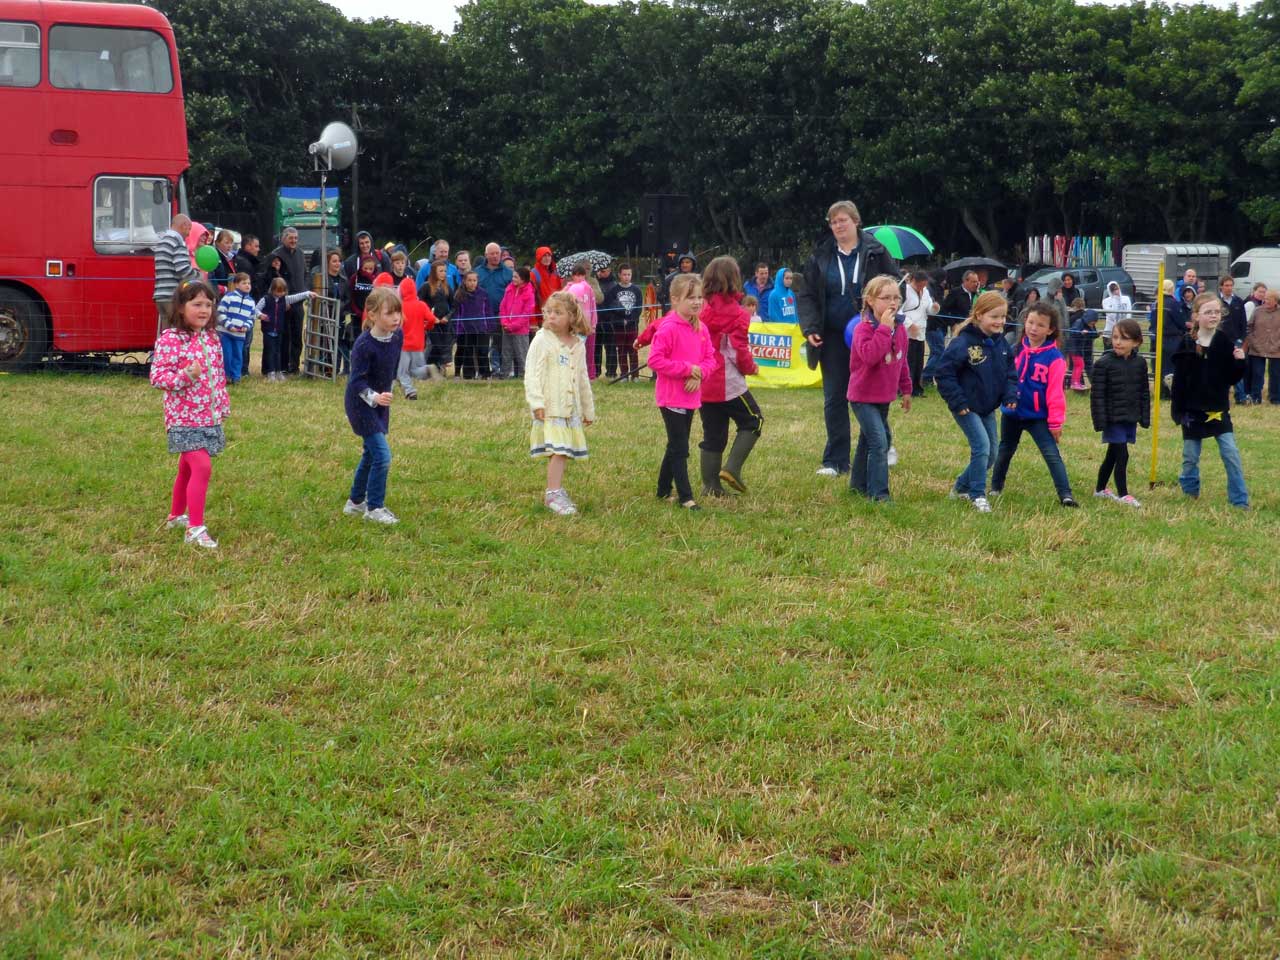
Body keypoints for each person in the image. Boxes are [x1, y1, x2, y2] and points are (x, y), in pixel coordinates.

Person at [796, 201, 897, 477]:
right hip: (831, 335)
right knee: (834, 397)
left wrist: (886, 321)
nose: (838, 226)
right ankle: (835, 460)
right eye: (833, 222)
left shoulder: (876, 252)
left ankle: (883, 444)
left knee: (873, 394)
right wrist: (810, 327)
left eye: (843, 220)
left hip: (869, 334)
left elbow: (894, 287)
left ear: (856, 221)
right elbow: (806, 295)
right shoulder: (820, 255)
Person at [150, 281, 229, 550]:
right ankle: (195, 528)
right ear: (181, 308)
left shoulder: (212, 338)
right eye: (197, 304)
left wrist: (221, 405)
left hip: (208, 417)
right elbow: (158, 377)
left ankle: (175, 516)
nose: (204, 309)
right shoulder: (171, 339)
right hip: (183, 418)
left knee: (187, 468)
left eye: (208, 304)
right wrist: (185, 376)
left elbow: (218, 376)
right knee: (202, 467)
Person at [934, 291, 1018, 513]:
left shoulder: (1001, 345)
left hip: (987, 407)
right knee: (981, 447)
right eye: (994, 316)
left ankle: (960, 487)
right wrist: (958, 402)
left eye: (1003, 316)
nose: (1000, 321)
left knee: (991, 454)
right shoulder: (963, 343)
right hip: (966, 407)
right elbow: (944, 374)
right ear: (979, 315)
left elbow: (1010, 373)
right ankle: (977, 495)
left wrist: (1010, 395)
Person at [989, 301, 1077, 507]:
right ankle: (995, 488)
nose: (1034, 328)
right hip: (1012, 413)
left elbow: (1055, 393)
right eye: (1030, 322)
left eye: (1040, 325)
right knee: (1005, 451)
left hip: (1038, 417)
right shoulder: (1015, 349)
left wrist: (1056, 422)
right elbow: (1003, 378)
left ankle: (1066, 495)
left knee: (1051, 454)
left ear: (1051, 329)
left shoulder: (1055, 358)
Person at [1171, 293, 1249, 508]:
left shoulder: (1224, 342)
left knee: (1231, 454)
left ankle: (1240, 500)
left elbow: (1231, 377)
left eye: (1216, 312)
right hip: (1191, 412)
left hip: (1218, 410)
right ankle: (1189, 494)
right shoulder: (1187, 343)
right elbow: (1179, 382)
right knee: (1190, 457)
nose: (1213, 316)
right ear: (1196, 316)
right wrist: (1177, 411)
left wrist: (1240, 363)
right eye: (1208, 312)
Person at [648, 272, 717, 510]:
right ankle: (686, 497)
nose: (697, 302)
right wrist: (688, 369)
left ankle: (662, 489)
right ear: (675, 300)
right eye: (691, 297)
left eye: (700, 297)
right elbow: (655, 361)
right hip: (671, 398)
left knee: (676, 443)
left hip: (690, 397)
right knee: (680, 448)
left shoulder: (702, 328)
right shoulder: (668, 328)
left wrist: (699, 375)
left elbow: (710, 360)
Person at [524, 290, 595, 516]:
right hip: (550, 408)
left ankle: (555, 490)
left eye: (558, 312)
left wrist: (587, 409)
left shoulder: (578, 344)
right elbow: (531, 374)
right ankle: (553, 493)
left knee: (563, 451)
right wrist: (536, 403)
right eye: (549, 312)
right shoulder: (542, 340)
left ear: (572, 317)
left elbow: (583, 379)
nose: (551, 316)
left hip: (569, 411)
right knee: (559, 451)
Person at [697, 257, 762, 497]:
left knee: (713, 434)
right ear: (735, 279)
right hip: (728, 382)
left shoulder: (699, 308)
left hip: (702, 381)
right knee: (754, 420)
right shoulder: (738, 313)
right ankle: (733, 468)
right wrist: (750, 368)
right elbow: (738, 351)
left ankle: (711, 486)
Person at [846, 275, 912, 502]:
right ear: (871, 301)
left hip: (884, 396)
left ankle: (858, 485)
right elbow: (871, 356)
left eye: (897, 297)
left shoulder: (901, 329)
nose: (893, 303)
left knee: (868, 441)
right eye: (886, 298)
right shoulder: (863, 329)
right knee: (879, 441)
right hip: (862, 396)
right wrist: (884, 329)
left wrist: (906, 389)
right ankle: (879, 494)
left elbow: (902, 361)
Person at [342, 286, 404, 525]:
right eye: (389, 313)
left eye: (397, 312)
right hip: (361, 404)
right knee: (382, 455)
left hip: (380, 403)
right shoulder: (364, 345)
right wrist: (374, 396)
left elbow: (392, 367)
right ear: (372, 315)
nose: (395, 318)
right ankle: (375, 508)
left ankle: (355, 502)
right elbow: (355, 380)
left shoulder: (397, 337)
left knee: (370, 453)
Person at [1090, 318, 1150, 506]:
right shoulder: (1103, 364)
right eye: (1115, 337)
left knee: (1112, 455)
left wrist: (1144, 416)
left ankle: (1100, 489)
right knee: (1122, 454)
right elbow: (1097, 395)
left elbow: (1143, 392)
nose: (1118, 342)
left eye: (1124, 338)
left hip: (1129, 417)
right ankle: (1124, 494)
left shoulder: (1140, 363)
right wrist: (1100, 420)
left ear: (1136, 342)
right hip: (1112, 418)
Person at [255, 278, 313, 382]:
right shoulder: (265, 299)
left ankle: (278, 371)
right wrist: (260, 315)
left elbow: (296, 297)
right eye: (278, 291)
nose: (281, 294)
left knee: (278, 351)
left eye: (283, 291)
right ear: (272, 290)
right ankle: (270, 372)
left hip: (279, 330)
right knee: (270, 351)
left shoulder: (284, 299)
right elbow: (255, 309)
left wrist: (308, 293)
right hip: (268, 330)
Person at [268, 227, 309, 375]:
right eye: (291, 238)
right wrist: (283, 299)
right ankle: (283, 366)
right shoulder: (276, 255)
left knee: (297, 335)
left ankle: (294, 366)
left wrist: (304, 290)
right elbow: (273, 278)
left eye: (296, 238)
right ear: (283, 238)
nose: (294, 241)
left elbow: (305, 274)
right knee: (285, 336)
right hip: (283, 303)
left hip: (298, 301)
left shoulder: (300, 253)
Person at [152, 214, 198, 340]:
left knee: (166, 336)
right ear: (184, 226)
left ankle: (165, 359)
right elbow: (182, 269)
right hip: (173, 295)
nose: (189, 234)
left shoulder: (162, 241)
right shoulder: (177, 241)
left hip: (160, 295)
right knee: (177, 336)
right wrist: (198, 277)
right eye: (189, 230)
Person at [214, 272, 263, 385]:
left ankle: (236, 377)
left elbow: (252, 317)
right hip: (225, 333)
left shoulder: (251, 301)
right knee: (227, 355)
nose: (247, 285)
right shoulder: (229, 297)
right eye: (244, 283)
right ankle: (226, 376)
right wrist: (229, 325)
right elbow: (220, 312)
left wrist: (246, 326)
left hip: (240, 335)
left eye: (249, 283)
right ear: (236, 284)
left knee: (238, 355)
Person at [476, 243, 514, 377]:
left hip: (501, 314)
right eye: (492, 253)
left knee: (500, 345)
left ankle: (502, 371)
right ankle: (482, 371)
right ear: (486, 255)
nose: (495, 256)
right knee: (482, 345)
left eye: (497, 253)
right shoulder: (477, 272)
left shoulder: (508, 273)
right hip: (482, 315)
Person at [396, 277, 437, 399]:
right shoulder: (422, 305)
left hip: (403, 345)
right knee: (416, 370)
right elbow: (431, 319)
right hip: (419, 344)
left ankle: (410, 392)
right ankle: (427, 369)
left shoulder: (400, 306)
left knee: (402, 372)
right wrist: (427, 327)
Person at [603, 264, 643, 380]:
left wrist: (630, 320)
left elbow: (638, 308)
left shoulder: (636, 290)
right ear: (619, 275)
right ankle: (624, 374)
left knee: (634, 350)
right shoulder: (613, 290)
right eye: (624, 274)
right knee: (621, 350)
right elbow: (610, 308)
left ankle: (635, 375)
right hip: (618, 326)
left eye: (629, 274)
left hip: (632, 326)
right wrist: (620, 320)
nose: (626, 277)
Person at [451, 270, 492, 380]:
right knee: (467, 352)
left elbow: (488, 311)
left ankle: (485, 374)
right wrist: (457, 329)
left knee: (482, 352)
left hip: (481, 328)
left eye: (474, 280)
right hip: (465, 330)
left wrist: (489, 326)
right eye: (469, 280)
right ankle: (469, 375)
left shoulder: (483, 294)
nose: (472, 283)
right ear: (464, 281)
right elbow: (456, 313)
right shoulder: (459, 295)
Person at [900, 269, 936, 397]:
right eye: (920, 285)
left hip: (921, 330)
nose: (922, 287)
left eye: (924, 285)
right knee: (908, 361)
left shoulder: (925, 292)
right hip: (907, 331)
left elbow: (929, 309)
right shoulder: (905, 291)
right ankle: (905, 389)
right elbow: (899, 311)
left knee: (919, 361)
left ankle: (917, 388)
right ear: (913, 281)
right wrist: (909, 324)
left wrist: (934, 308)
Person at [499, 266, 536, 379]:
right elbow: (503, 306)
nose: (513, 279)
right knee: (506, 353)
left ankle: (524, 376)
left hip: (520, 330)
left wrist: (513, 326)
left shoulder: (529, 294)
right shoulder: (509, 289)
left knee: (521, 353)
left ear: (523, 279)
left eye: (516, 277)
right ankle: (504, 375)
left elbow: (526, 314)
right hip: (507, 328)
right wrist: (504, 322)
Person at [1245, 288, 1280, 405]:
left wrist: (1277, 344)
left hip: (1277, 349)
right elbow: (1249, 328)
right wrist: (1253, 342)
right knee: (1257, 374)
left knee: (1275, 374)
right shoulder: (1257, 311)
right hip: (1257, 348)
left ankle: (1275, 398)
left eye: (1269, 300)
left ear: (1276, 301)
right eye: (1265, 299)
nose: (1266, 302)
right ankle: (1256, 398)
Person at [565, 262, 600, 379]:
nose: (578, 278)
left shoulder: (589, 289)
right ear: (572, 276)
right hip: (573, 326)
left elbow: (593, 306)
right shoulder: (568, 288)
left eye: (581, 275)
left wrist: (593, 324)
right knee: (573, 351)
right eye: (576, 275)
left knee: (589, 351)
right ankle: (573, 374)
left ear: (585, 276)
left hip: (587, 325)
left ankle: (591, 375)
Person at [1218, 276, 1249, 403]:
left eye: (1231, 285)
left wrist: (1241, 339)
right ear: (1221, 286)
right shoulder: (1217, 301)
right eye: (1226, 285)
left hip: (1236, 340)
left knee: (1237, 368)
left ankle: (1240, 397)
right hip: (1220, 341)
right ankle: (1221, 396)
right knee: (1221, 369)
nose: (1229, 288)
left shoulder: (1238, 301)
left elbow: (1243, 323)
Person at [421, 260, 455, 374]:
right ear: (434, 272)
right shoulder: (426, 286)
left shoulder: (447, 287)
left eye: (445, 271)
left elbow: (454, 306)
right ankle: (425, 368)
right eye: (440, 271)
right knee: (434, 344)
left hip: (445, 322)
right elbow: (420, 303)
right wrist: (430, 317)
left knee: (445, 343)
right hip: (431, 322)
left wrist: (447, 317)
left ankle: (439, 368)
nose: (443, 273)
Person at [1067, 299, 1098, 391]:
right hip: (1075, 348)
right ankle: (1075, 382)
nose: (1093, 325)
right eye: (1092, 323)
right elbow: (1073, 331)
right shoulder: (1079, 322)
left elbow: (1092, 332)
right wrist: (1080, 332)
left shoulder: (1088, 324)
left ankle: (1077, 382)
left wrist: (1096, 334)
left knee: (1080, 365)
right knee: (1079, 365)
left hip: (1080, 349)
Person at [1101, 280, 1131, 352]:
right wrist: (1115, 299)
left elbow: (1129, 313)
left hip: (1123, 330)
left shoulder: (1126, 299)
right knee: (1109, 353)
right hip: (1109, 332)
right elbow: (1111, 314)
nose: (1116, 291)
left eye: (1117, 288)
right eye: (1113, 290)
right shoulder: (1106, 301)